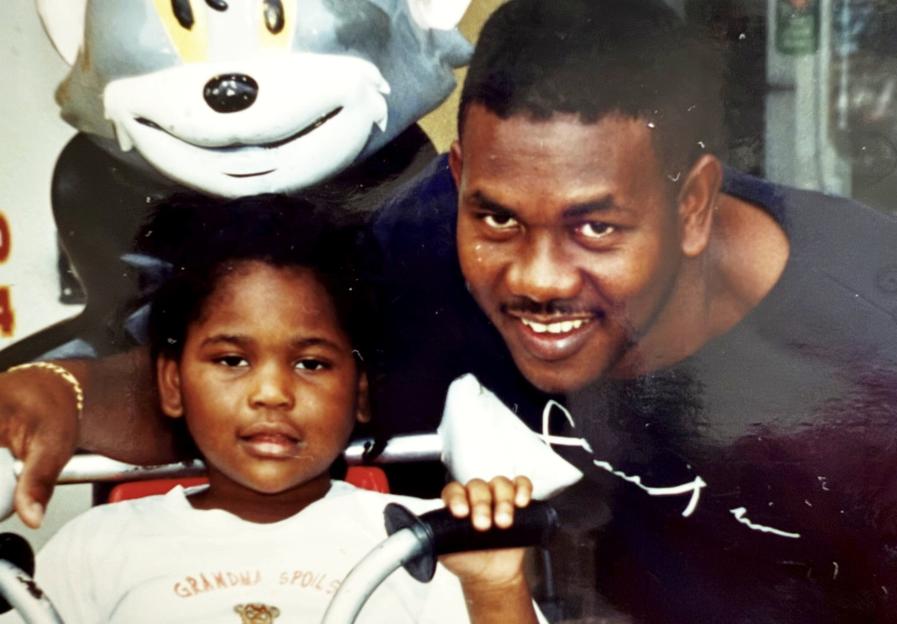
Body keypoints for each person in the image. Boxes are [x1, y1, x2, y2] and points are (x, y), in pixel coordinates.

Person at [3, 0, 897, 620]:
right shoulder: (424, 245)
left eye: (594, 227)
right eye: (496, 217)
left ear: (692, 204)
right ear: (459, 177)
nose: (536, 278)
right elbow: (253, 379)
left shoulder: (867, 345)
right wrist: (62, 395)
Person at [0, 195, 542, 624]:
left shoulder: (426, 539)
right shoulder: (97, 548)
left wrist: (495, 587)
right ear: (173, 384)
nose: (272, 393)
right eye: (232, 360)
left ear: (360, 392)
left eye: (311, 364)